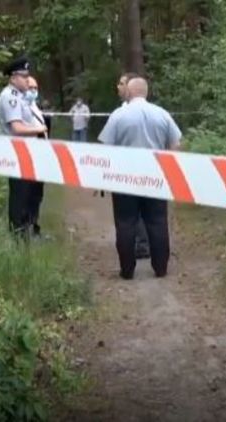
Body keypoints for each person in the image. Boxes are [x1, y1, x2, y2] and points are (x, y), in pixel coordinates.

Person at [98, 77, 182, 280]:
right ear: (146, 92)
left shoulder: (118, 115)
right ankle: (160, 268)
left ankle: (127, 270)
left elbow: (106, 147)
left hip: (124, 176)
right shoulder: (162, 114)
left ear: (129, 92)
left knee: (125, 222)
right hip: (155, 174)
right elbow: (176, 144)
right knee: (157, 221)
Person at [0, 57, 47, 237]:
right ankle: (18, 236)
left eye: (28, 76)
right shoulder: (11, 97)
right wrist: (39, 129)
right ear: (13, 78)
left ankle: (26, 232)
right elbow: (17, 128)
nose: (27, 80)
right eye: (24, 76)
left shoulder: (19, 97)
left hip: (26, 153)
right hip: (16, 154)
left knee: (28, 195)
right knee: (20, 196)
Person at [116, 71, 151, 260]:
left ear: (131, 88)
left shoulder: (132, 112)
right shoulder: (121, 110)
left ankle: (143, 244)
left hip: (137, 165)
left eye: (122, 84)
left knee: (138, 210)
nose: (118, 87)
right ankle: (140, 242)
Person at [24, 76, 48, 237]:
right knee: (29, 193)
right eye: (30, 88)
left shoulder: (35, 107)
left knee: (37, 193)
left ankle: (34, 226)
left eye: (35, 88)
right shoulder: (23, 108)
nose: (33, 91)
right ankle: (27, 227)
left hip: (40, 155)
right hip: (29, 154)